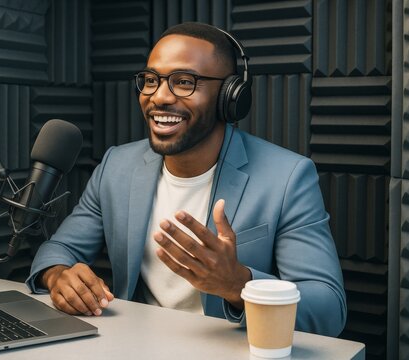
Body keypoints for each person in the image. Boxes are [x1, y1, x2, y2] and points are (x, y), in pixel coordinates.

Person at [26, 22, 347, 337]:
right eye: (151, 79)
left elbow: (329, 308)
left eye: (183, 81)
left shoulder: (287, 177)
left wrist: (237, 284)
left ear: (230, 96)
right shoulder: (117, 165)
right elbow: (59, 249)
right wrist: (58, 276)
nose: (159, 97)